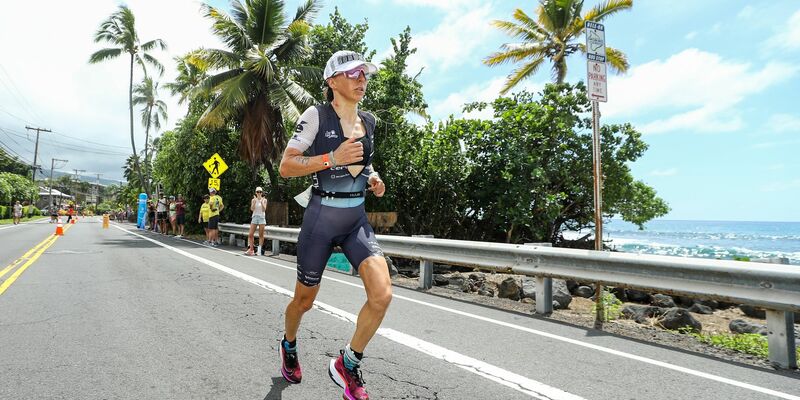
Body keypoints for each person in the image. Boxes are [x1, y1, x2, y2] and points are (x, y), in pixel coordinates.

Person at [277, 50, 388, 400]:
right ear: (332, 81)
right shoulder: (315, 116)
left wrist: (374, 177)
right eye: (353, 73)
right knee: (304, 301)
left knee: (382, 295)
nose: (361, 79)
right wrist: (331, 158)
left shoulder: (369, 121)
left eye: (364, 74)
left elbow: (363, 164)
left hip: (355, 220)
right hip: (321, 219)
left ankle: (349, 363)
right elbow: (286, 166)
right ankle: (289, 344)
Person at [245, 187, 268, 256]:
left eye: (260, 192)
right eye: (258, 192)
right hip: (255, 217)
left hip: (261, 217)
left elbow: (264, 209)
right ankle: (251, 249)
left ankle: (259, 250)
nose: (259, 193)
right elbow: (252, 209)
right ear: (256, 192)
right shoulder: (253, 200)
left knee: (261, 235)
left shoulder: (264, 200)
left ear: (262, 193)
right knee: (250, 234)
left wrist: (261, 201)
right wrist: (254, 202)